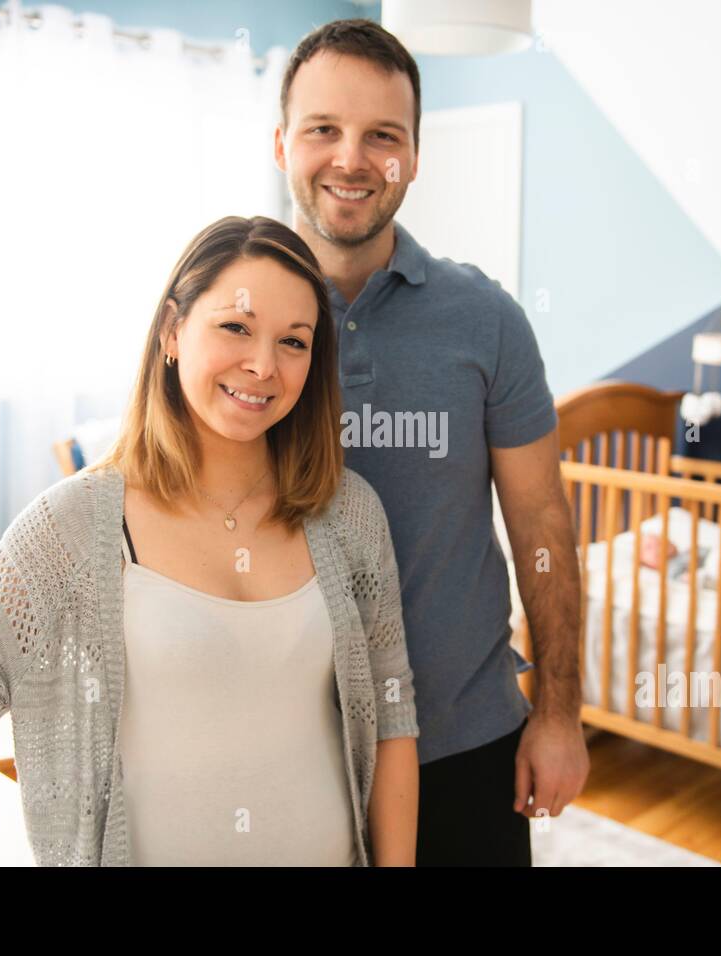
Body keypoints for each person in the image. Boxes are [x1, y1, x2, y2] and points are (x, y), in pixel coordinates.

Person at [0, 215, 420, 866]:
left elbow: (391, 710)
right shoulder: (70, 528)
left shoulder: (349, 514)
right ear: (172, 331)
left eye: (293, 342)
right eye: (235, 327)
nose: (263, 365)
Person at [273, 19, 591, 866]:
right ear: (281, 144)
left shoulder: (484, 320)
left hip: (467, 739)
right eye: (323, 129)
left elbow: (542, 526)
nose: (351, 157)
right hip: (284, 752)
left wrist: (558, 712)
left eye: (384, 135)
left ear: (413, 156)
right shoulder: (237, 320)